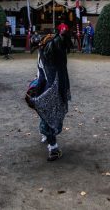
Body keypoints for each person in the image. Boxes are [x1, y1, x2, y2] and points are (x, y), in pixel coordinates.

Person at [26, 23, 73, 161]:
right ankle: (48, 137)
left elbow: (41, 78)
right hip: (60, 90)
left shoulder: (44, 56)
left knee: (48, 120)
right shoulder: (60, 55)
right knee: (50, 119)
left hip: (49, 91)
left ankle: (54, 148)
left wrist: (33, 90)